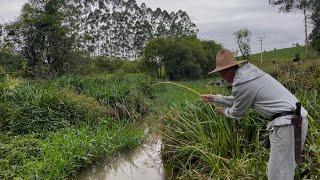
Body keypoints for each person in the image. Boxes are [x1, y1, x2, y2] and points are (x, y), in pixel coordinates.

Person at [201, 49, 308, 180]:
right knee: (285, 171)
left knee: (278, 176)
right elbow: (240, 99)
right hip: (296, 120)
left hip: (286, 125)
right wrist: (214, 98)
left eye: (221, 74)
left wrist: (223, 111)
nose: (221, 78)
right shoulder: (249, 75)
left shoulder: (242, 84)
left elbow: (237, 112)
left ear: (227, 71)